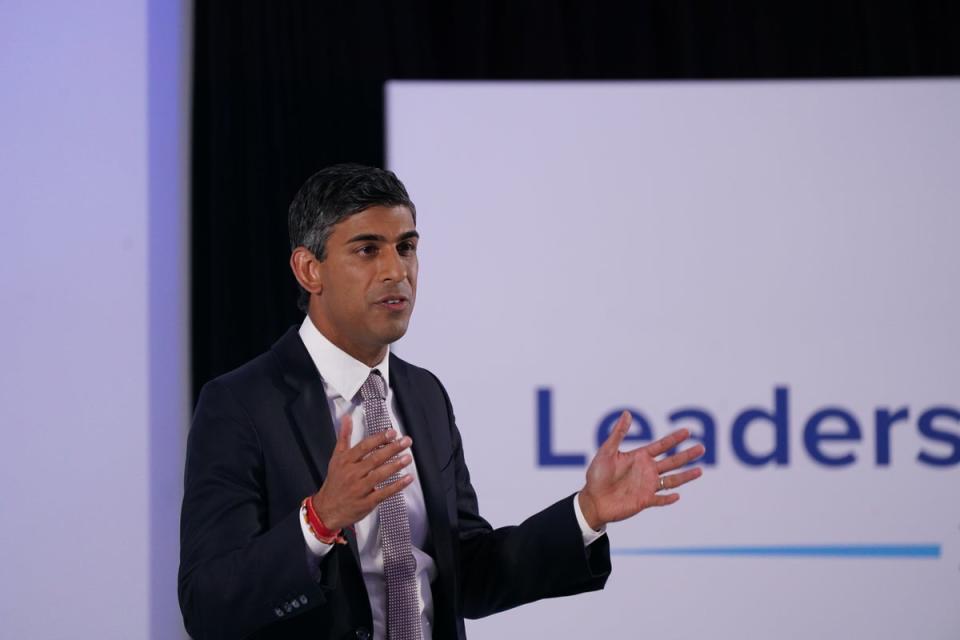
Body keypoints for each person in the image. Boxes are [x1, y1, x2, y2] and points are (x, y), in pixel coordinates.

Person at [178, 164, 705, 640]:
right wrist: (319, 520)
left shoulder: (424, 395)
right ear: (308, 269)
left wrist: (585, 514)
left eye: (406, 247)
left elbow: (469, 574)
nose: (396, 271)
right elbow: (208, 605)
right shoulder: (240, 405)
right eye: (368, 250)